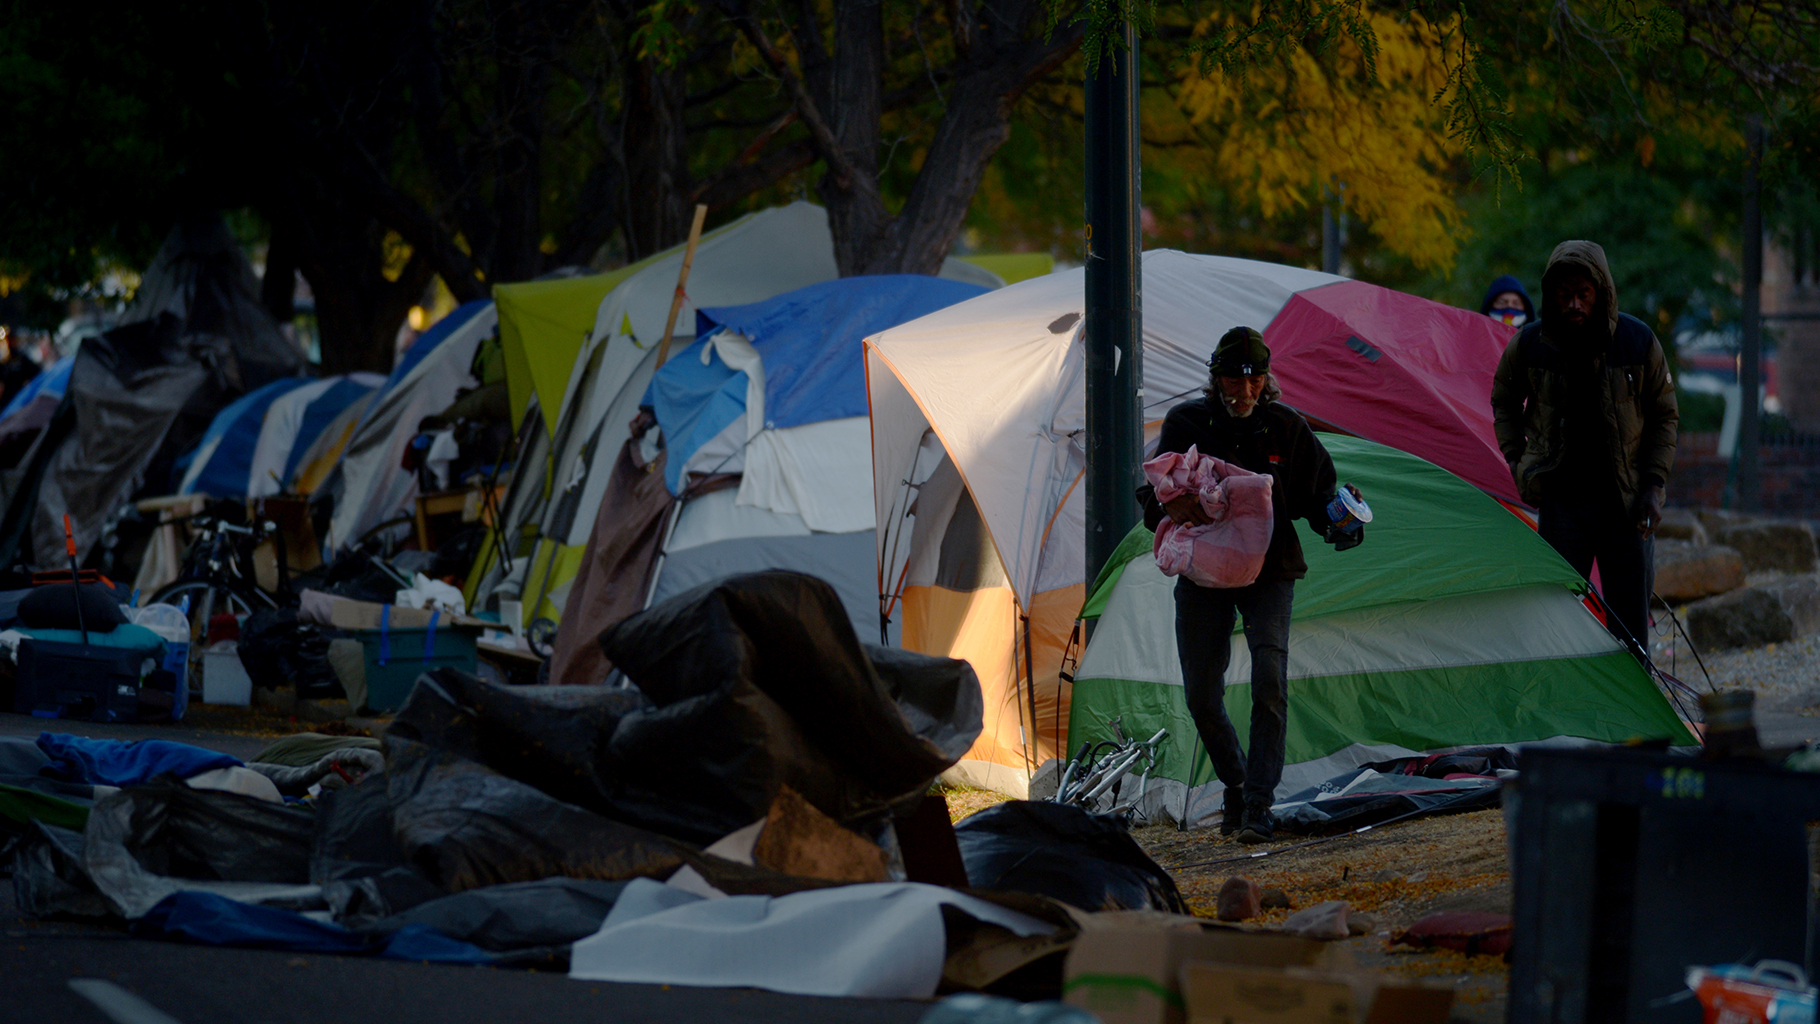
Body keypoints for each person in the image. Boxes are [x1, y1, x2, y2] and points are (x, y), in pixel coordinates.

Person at [1138, 326, 1364, 844]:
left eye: (1254, 380)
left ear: (1266, 380)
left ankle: (1259, 804)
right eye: (1232, 381)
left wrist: (1343, 519)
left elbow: (1320, 500)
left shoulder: (1287, 428)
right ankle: (1237, 781)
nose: (1243, 392)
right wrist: (1169, 505)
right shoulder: (1186, 422)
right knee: (1200, 694)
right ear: (1214, 380)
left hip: (1270, 570)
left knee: (1269, 678)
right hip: (1204, 570)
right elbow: (1154, 495)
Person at [1491, 241, 1678, 653]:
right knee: (1554, 620)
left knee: (1630, 629)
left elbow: (1665, 417)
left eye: (1583, 294)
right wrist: (1516, 460)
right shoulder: (1529, 345)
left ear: (1602, 292)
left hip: (1626, 503)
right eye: (1563, 295)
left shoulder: (1638, 342)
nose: (1573, 304)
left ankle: (1632, 711)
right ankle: (1562, 708)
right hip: (1562, 503)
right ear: (1550, 294)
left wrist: (1653, 486)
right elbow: (1502, 400)